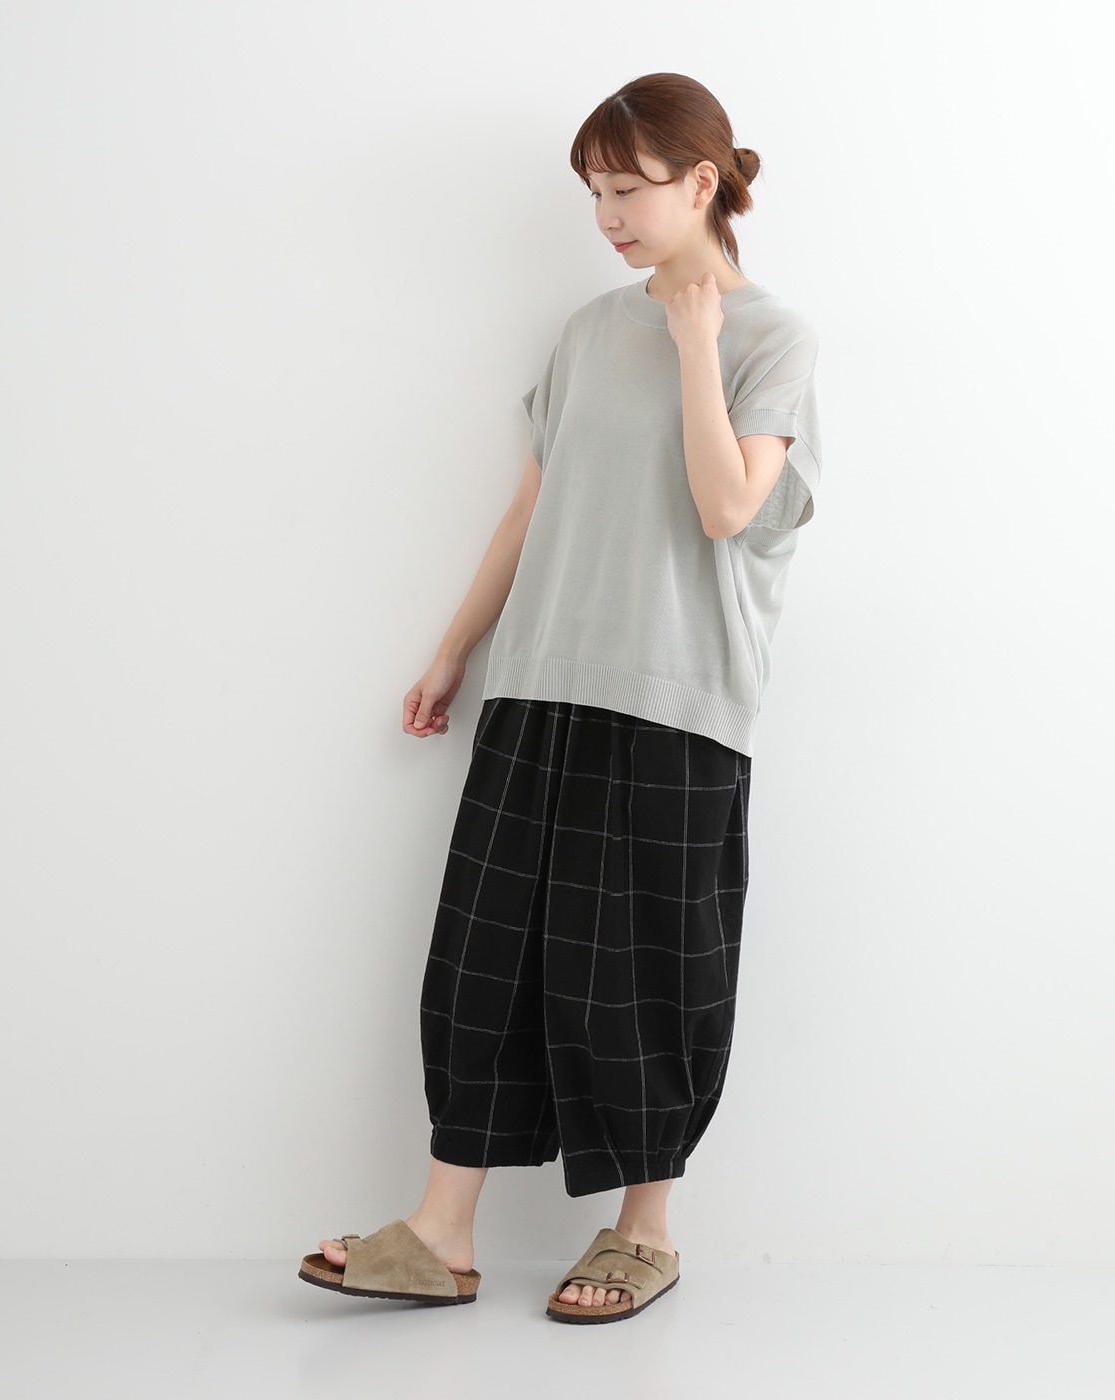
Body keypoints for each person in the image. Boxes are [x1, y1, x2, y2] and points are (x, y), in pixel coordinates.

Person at [300, 71, 822, 1323]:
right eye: (594, 191)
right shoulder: (587, 332)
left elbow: (726, 507)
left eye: (629, 188)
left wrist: (694, 342)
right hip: (538, 681)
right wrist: (454, 650)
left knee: (644, 973)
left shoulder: (772, 339)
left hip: (676, 699)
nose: (608, 216)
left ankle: (645, 1230)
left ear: (703, 182)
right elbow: (529, 512)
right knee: (483, 956)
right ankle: (441, 1230)